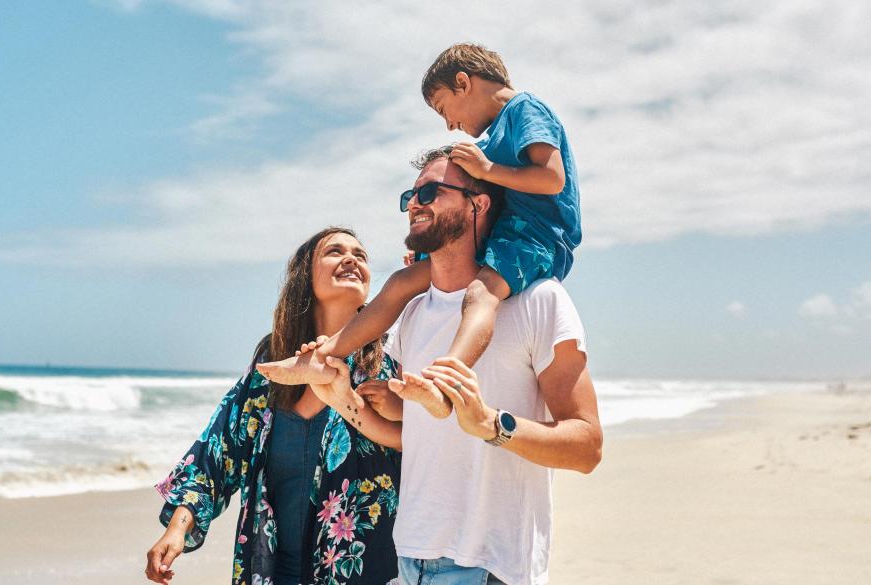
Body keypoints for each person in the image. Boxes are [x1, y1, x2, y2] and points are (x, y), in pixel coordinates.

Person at [260, 43, 580, 406]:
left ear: (463, 82)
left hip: (536, 238)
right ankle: (323, 356)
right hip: (504, 233)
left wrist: (487, 170)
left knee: (481, 294)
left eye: (444, 108)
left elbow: (552, 179)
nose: (449, 124)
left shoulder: (525, 110)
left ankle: (448, 378)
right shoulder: (492, 137)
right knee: (399, 284)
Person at [385, 146, 601, 584]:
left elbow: (587, 447)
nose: (414, 204)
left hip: (490, 565)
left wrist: (490, 424)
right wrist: (341, 395)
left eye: (429, 192)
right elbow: (413, 429)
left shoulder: (539, 301)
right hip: (410, 557)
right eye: (410, 194)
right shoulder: (411, 314)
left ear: (478, 204)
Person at [145, 227, 403, 585]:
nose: (352, 259)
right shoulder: (273, 363)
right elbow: (217, 450)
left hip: (363, 572)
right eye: (335, 252)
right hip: (271, 571)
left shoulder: (387, 365)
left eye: (360, 255)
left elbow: (427, 450)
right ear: (305, 276)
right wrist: (178, 527)